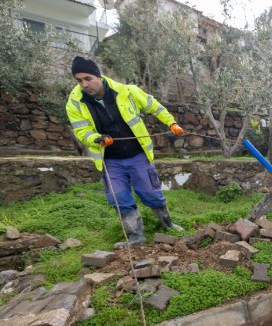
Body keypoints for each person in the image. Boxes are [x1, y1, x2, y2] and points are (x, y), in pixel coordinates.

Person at [65, 56, 185, 248]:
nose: (84, 84)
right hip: (110, 159)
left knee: (152, 193)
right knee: (119, 197)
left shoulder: (127, 91)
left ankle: (168, 224)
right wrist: (95, 138)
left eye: (88, 78)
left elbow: (154, 106)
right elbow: (81, 130)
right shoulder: (75, 103)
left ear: (99, 76)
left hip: (137, 154)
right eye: (79, 80)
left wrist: (172, 123)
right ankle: (136, 236)